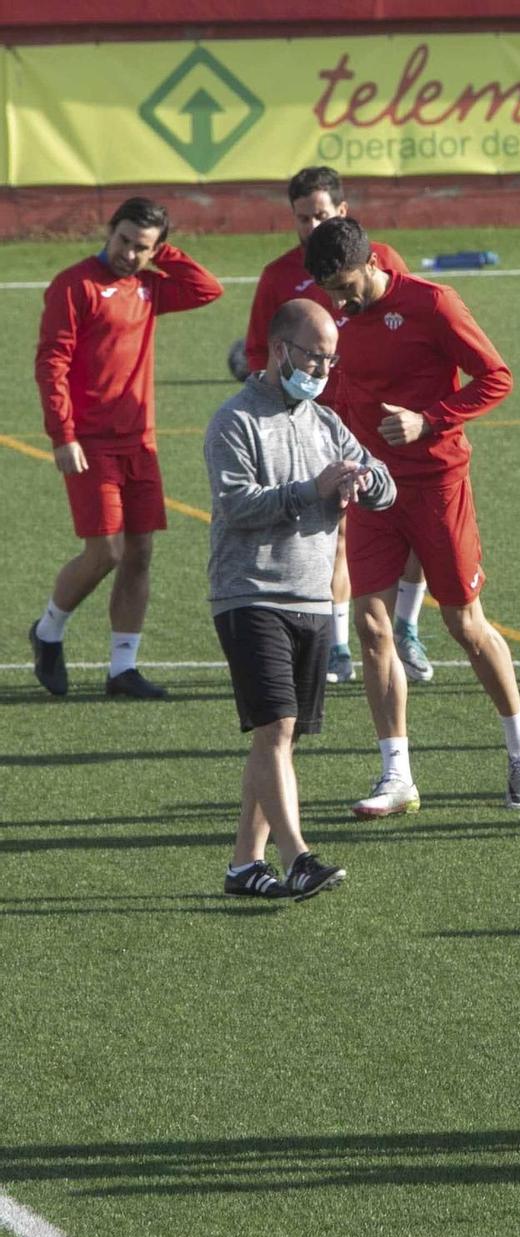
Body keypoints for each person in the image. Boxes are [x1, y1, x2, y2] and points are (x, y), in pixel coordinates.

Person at [304, 216, 520, 817]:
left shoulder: (433, 303)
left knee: (465, 625)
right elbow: (339, 389)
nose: (339, 300)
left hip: (436, 483)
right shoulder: (336, 318)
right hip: (374, 486)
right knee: (372, 626)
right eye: (328, 289)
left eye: (345, 284)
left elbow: (497, 377)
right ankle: (396, 774)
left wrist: (429, 418)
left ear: (371, 262)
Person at [205, 299, 395, 901]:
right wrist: (309, 490)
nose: (324, 370)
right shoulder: (234, 421)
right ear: (280, 349)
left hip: (312, 599)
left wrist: (365, 481)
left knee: (276, 737)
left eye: (332, 360)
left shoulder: (325, 422)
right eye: (317, 356)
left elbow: (384, 486)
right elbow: (237, 505)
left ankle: (243, 865)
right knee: (276, 726)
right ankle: (298, 858)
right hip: (251, 594)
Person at [240, 166, 430, 688]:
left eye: (321, 215)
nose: (311, 225)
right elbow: (260, 348)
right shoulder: (280, 276)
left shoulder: (382, 260)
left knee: (407, 515)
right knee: (338, 528)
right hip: (319, 422)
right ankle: (338, 642)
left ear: (343, 213)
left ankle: (407, 625)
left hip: (383, 417)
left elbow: (409, 326)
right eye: (302, 217)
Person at [29, 197, 223, 699]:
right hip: (90, 444)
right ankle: (48, 630)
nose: (130, 254)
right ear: (108, 229)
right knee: (107, 552)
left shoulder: (150, 286)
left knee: (139, 553)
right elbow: (52, 364)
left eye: (143, 247)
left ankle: (122, 669)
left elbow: (208, 289)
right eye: (125, 241)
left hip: (141, 441)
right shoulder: (74, 286)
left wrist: (167, 254)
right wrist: (63, 435)